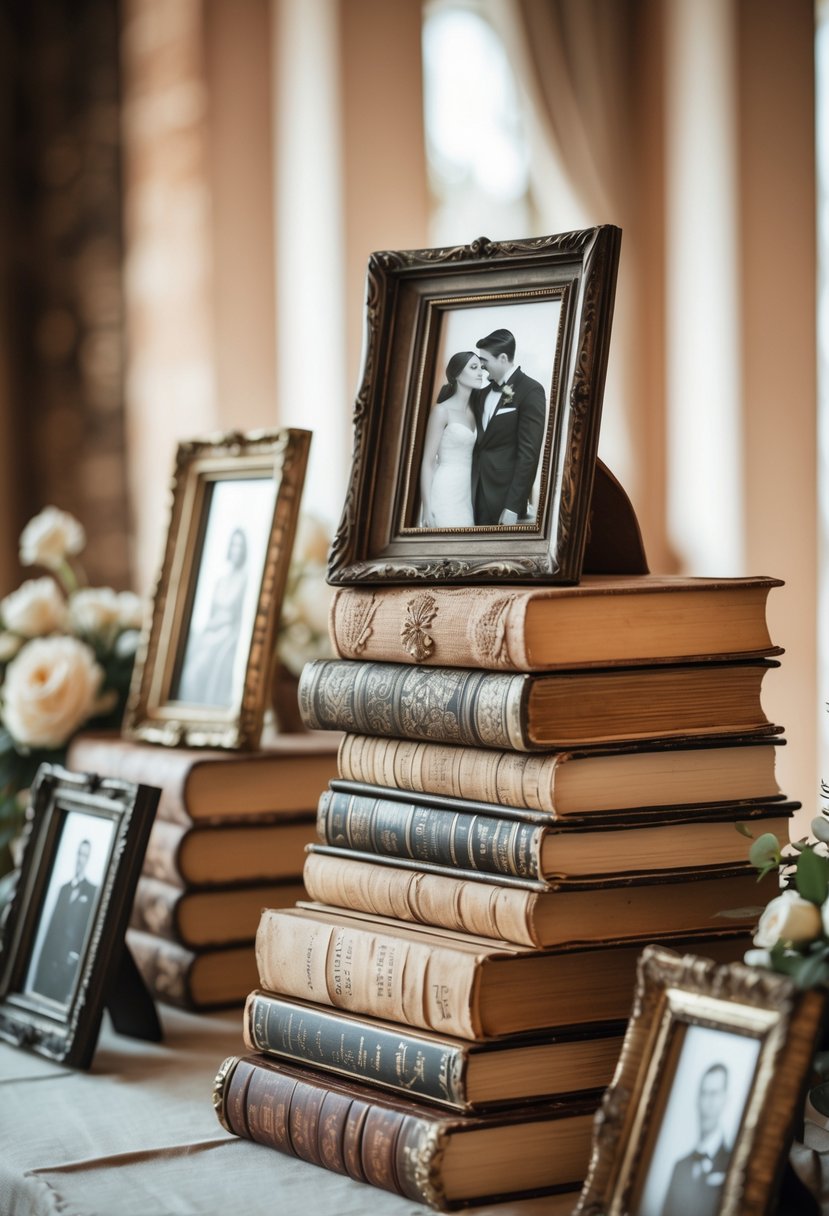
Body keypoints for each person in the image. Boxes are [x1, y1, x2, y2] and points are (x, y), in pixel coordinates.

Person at [472, 327, 546, 526]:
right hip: (473, 495)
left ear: (503, 358)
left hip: (504, 502)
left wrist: (513, 506)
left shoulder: (531, 390)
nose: (482, 365)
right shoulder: (481, 394)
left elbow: (529, 454)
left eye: (485, 360)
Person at [176, 527, 248, 708]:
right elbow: (212, 614)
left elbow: (239, 616)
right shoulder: (220, 582)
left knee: (208, 664)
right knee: (192, 668)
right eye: (234, 545)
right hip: (212, 632)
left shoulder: (244, 580)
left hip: (228, 636)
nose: (236, 550)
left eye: (240, 546)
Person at [419, 351, 486, 527]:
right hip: (444, 491)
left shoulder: (476, 411)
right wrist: (427, 508)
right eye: (473, 367)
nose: (480, 372)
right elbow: (427, 462)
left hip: (465, 495)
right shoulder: (442, 411)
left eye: (481, 367)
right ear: (456, 374)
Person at [660, 1062, 732, 1216]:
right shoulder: (680, 1167)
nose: (708, 1103)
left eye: (714, 1094)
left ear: (725, 1098)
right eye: (703, 1093)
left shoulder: (734, 1163)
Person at [31, 839, 97, 1004]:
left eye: (85, 855)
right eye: (79, 854)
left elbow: (87, 927)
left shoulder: (92, 891)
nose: (80, 859)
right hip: (51, 960)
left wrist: (75, 954)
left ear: (88, 859)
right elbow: (53, 926)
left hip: (69, 964)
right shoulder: (63, 889)